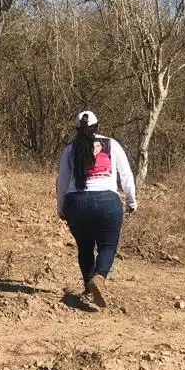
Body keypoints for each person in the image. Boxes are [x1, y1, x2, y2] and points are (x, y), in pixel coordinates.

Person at [55, 111, 137, 309]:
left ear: (77, 129)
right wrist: (131, 201)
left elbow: (62, 181)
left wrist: (61, 208)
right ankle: (99, 278)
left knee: (84, 245)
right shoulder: (112, 144)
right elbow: (126, 174)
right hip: (107, 201)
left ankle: (88, 285)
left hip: (76, 203)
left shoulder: (70, 148)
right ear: (98, 126)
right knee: (107, 245)